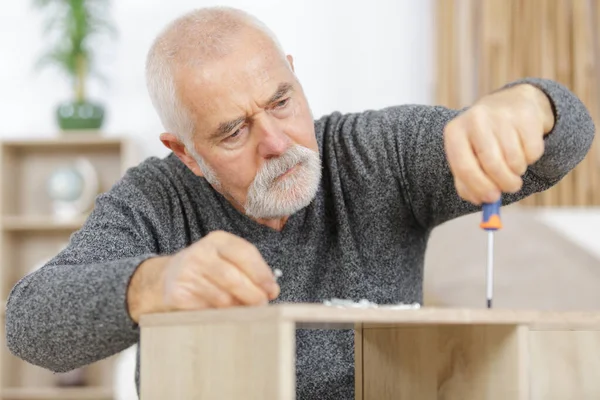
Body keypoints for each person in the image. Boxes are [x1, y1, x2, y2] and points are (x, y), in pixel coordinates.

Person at [5, 6, 595, 400]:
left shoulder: (375, 155)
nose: (277, 142)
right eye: (233, 131)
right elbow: (30, 326)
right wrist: (150, 286)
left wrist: (526, 106)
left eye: (281, 100)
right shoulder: (153, 201)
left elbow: (562, 142)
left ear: (293, 76)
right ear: (184, 151)